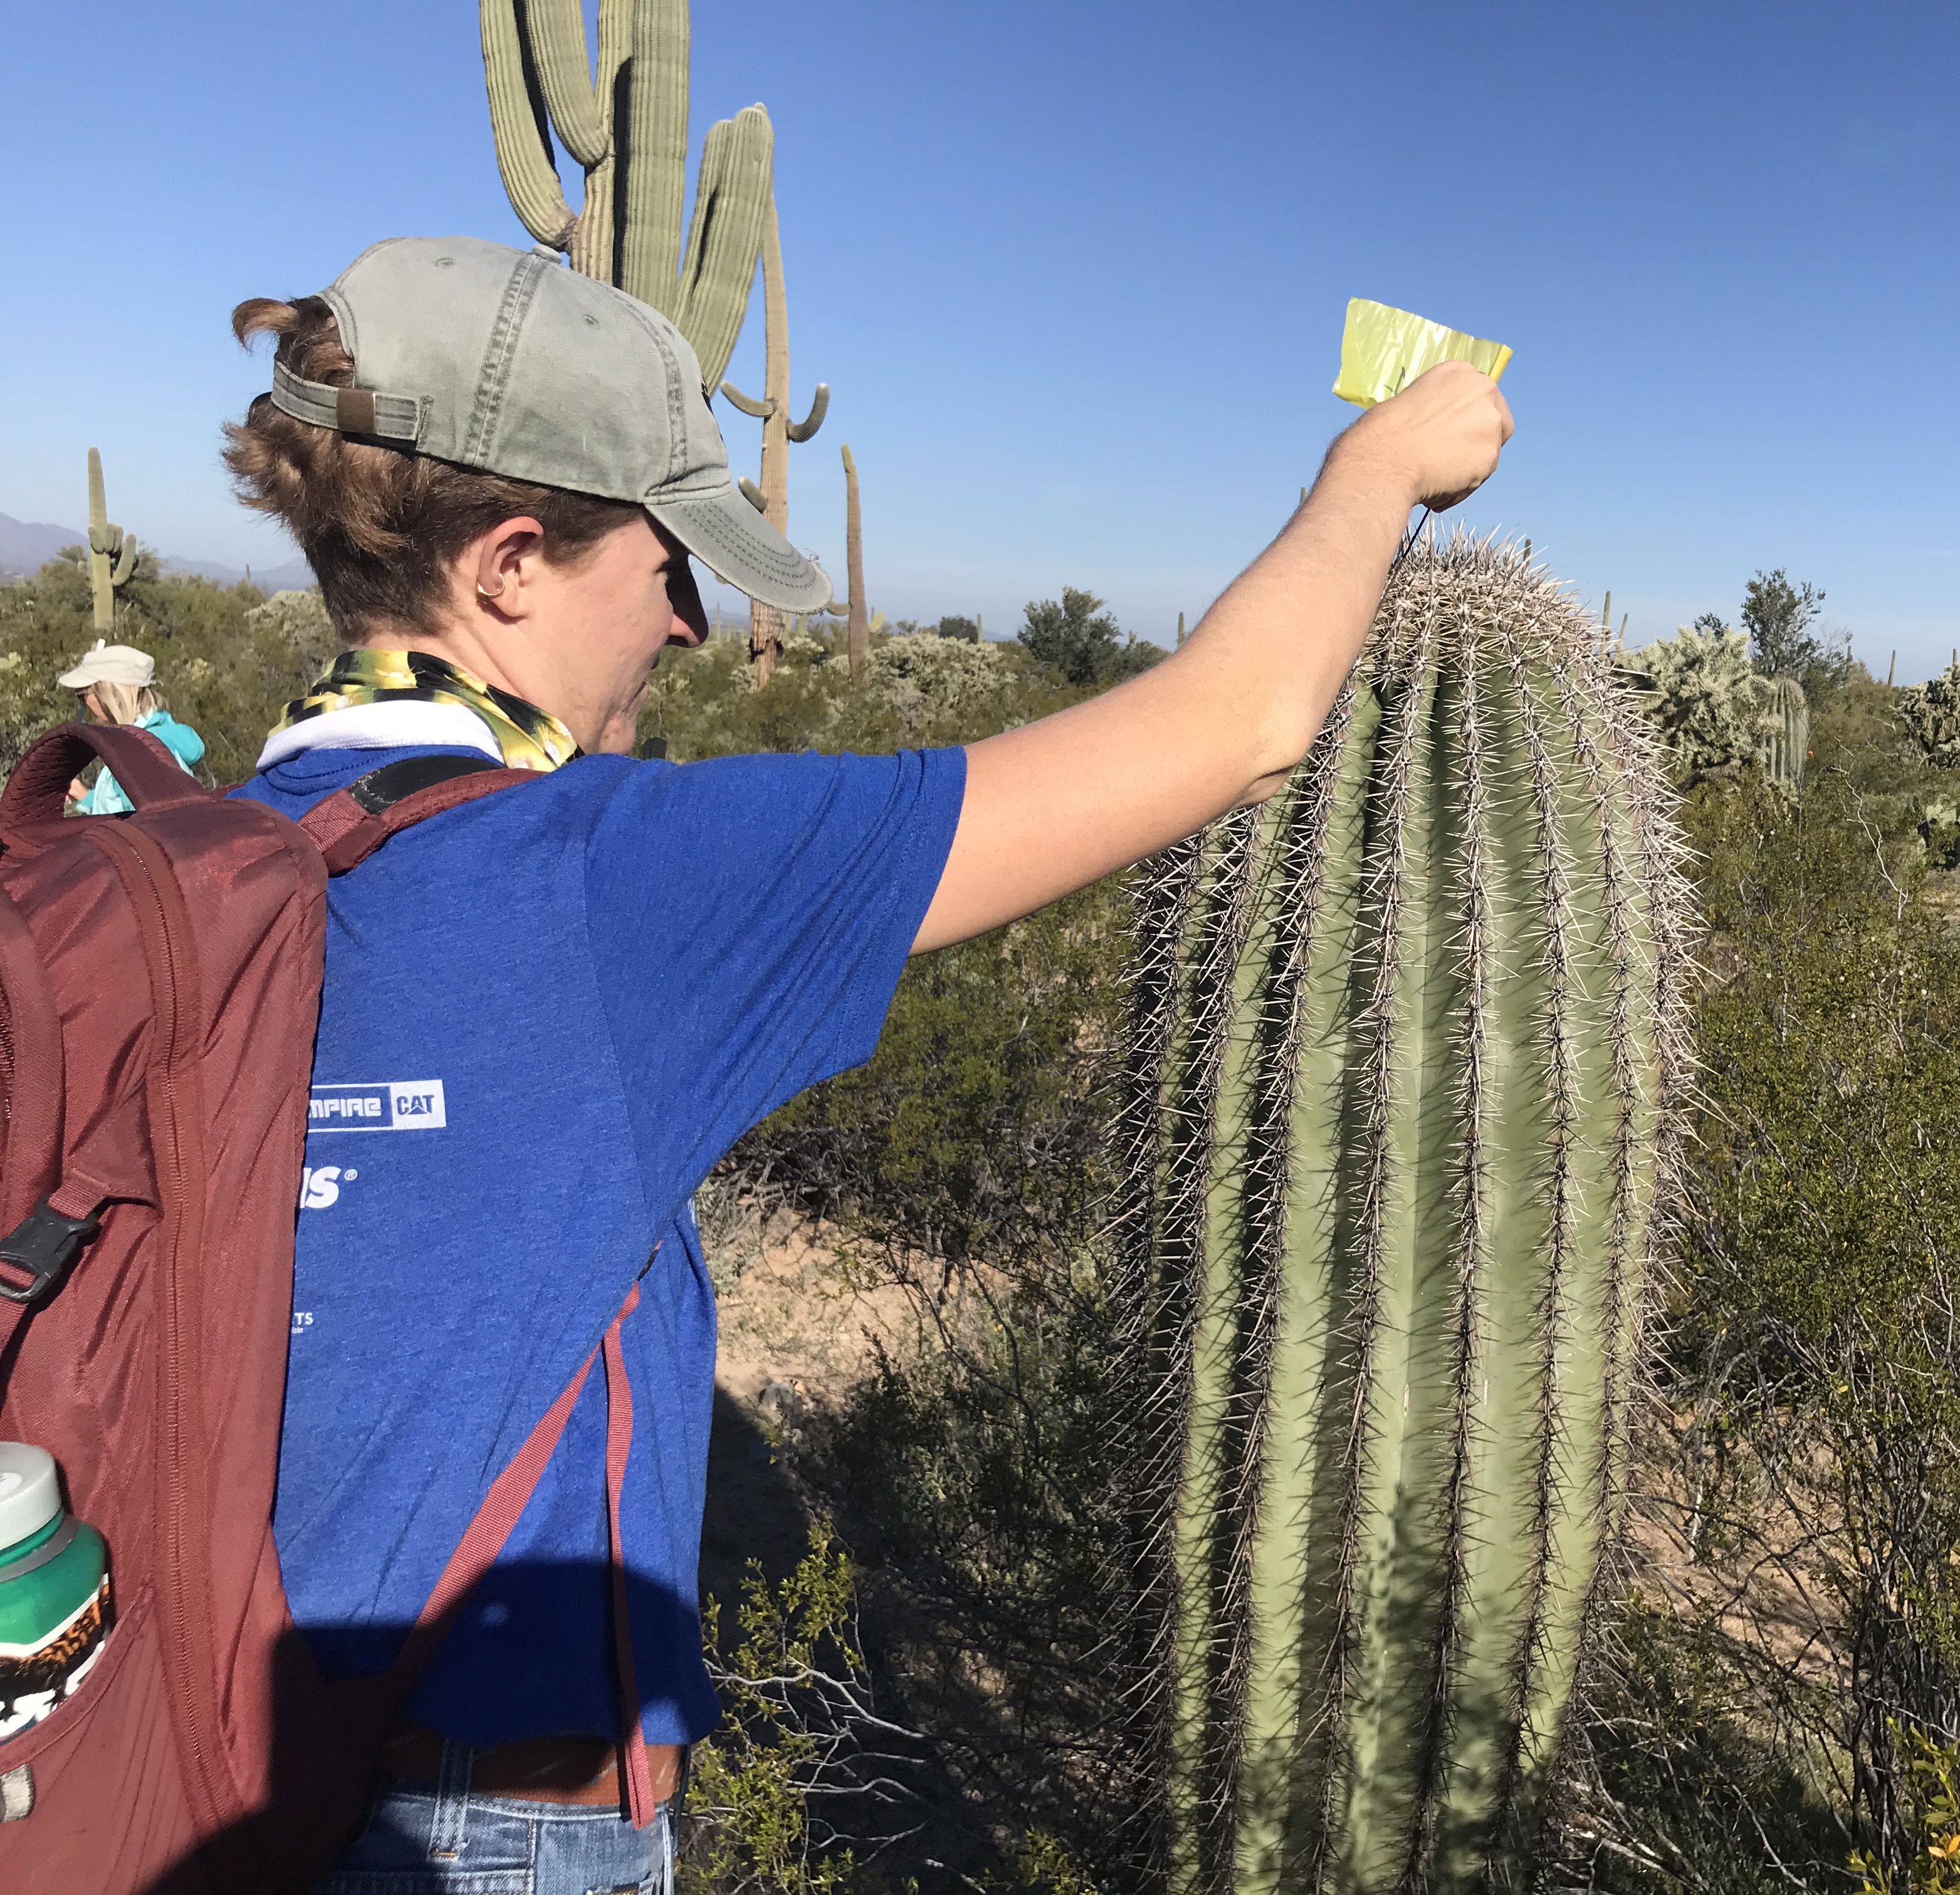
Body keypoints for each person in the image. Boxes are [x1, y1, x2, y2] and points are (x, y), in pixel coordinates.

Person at [219, 236, 1509, 1890]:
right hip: (481, 1829)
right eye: (671, 567)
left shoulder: (213, 857)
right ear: (513, 563)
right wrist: (1380, 468)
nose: (691, 625)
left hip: (196, 1780)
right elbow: (1244, 724)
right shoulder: (613, 881)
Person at [56, 639, 207, 810]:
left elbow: (146, 823)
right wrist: (83, 795)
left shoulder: (139, 754)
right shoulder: (147, 742)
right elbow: (124, 815)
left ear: (109, 693)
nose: (84, 705)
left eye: (82, 694)